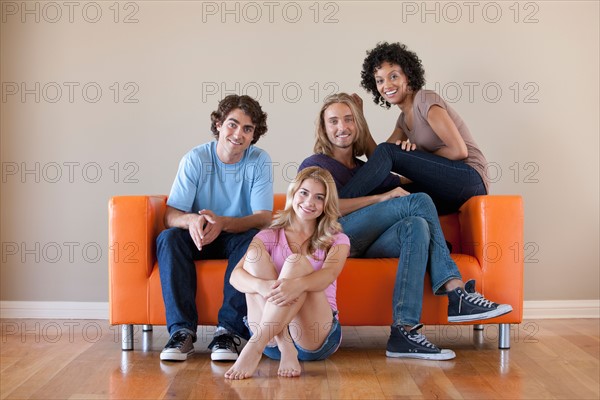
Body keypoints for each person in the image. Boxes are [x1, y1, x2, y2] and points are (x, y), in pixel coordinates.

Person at [299, 93, 512, 360]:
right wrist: (381, 197)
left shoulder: (368, 169)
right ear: (324, 127)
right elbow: (321, 209)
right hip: (336, 238)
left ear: (358, 124)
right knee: (418, 201)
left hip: (370, 241)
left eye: (348, 119)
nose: (342, 127)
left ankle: (404, 331)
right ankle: (455, 292)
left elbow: (403, 186)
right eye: (333, 121)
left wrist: (416, 155)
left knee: (416, 225)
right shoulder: (315, 165)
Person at [157, 94, 273, 362]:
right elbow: (170, 215)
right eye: (232, 124)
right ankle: (181, 332)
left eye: (247, 129)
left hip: (236, 237)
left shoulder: (259, 161)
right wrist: (192, 220)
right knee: (169, 238)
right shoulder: (195, 159)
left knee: (256, 239)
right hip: (198, 236)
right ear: (219, 124)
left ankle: (228, 332)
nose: (238, 134)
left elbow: (263, 218)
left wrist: (223, 223)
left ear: (254, 135)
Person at [224, 166, 350, 379]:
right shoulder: (269, 235)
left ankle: (253, 348)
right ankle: (284, 345)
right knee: (254, 260)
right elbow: (236, 276)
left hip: (314, 336)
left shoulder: (337, 239)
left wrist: (298, 284)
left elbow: (328, 276)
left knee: (296, 263)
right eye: (304, 193)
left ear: (326, 204)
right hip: (272, 342)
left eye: (319, 197)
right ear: (293, 193)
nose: (309, 202)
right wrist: (262, 286)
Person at [340, 41, 489, 215]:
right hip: (445, 191)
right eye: (380, 80)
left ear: (408, 76)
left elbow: (459, 151)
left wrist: (417, 155)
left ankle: (335, 206)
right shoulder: (403, 120)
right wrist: (361, 120)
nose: (386, 85)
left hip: (469, 180)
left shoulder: (425, 101)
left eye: (393, 76)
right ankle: (344, 218)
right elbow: (378, 160)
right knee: (386, 194)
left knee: (390, 152)